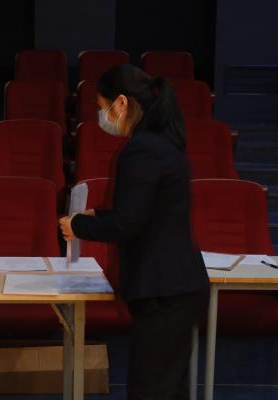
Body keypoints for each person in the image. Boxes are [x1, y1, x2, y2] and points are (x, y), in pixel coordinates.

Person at [59, 64, 209, 400]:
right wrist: (99, 215)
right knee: (168, 389)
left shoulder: (141, 149)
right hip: (176, 286)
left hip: (164, 289)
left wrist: (78, 225)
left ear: (122, 103)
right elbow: (144, 212)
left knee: (151, 390)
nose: (102, 117)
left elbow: (128, 224)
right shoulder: (161, 142)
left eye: (102, 107)